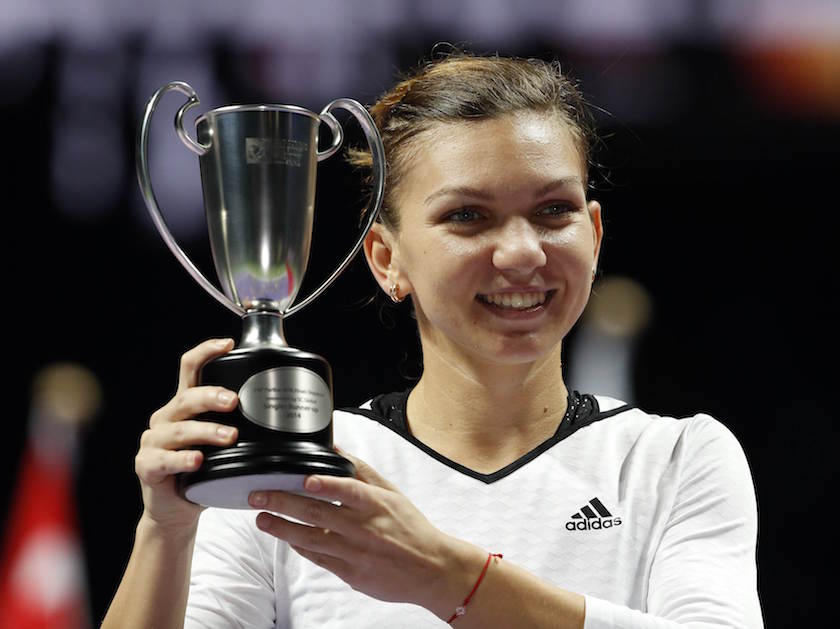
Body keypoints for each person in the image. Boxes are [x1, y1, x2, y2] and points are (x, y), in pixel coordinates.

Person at [103, 52, 763, 628]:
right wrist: (166, 528)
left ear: (593, 232)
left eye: (553, 210)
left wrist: (449, 578)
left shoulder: (677, 458)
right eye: (468, 216)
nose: (521, 251)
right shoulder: (301, 466)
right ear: (387, 259)